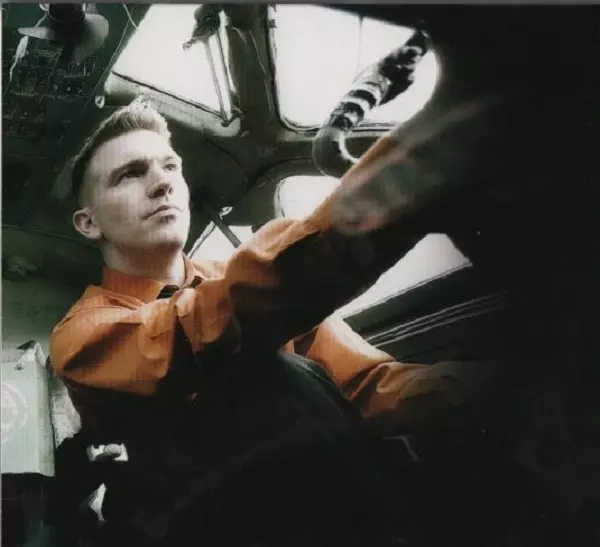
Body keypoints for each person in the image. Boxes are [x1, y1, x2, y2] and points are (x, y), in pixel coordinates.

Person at [50, 103, 496, 547]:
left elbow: (366, 383)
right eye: (130, 174)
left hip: (323, 500)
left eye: (170, 166)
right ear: (89, 223)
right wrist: (402, 179)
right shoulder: (82, 333)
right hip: (189, 525)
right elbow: (202, 328)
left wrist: (495, 390)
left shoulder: (231, 284)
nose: (162, 182)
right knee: (263, 371)